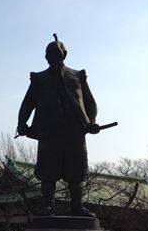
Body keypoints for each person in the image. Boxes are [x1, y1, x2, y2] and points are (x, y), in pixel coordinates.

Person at [17, 34, 100, 217]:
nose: (53, 57)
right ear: (45, 57)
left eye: (57, 53)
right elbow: (28, 103)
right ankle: (48, 206)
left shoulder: (78, 76)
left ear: (65, 54)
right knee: (48, 172)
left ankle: (77, 207)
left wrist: (91, 122)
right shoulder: (39, 79)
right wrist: (22, 123)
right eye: (49, 54)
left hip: (74, 130)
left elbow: (89, 101)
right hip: (49, 131)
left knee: (76, 171)